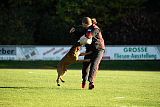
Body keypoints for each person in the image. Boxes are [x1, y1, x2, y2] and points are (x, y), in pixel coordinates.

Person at [70, 17, 105, 89]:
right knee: (85, 66)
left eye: (83, 25)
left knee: (94, 64)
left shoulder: (95, 28)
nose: (82, 26)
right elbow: (81, 34)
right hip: (89, 50)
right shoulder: (85, 28)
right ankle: (84, 81)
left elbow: (89, 36)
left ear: (86, 24)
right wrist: (74, 31)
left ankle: (91, 82)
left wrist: (87, 33)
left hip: (98, 50)